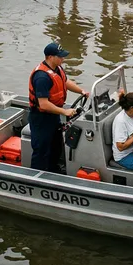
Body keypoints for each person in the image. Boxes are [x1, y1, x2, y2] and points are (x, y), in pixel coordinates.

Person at [28, 42, 89, 172]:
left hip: (53, 115)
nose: (63, 59)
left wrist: (81, 91)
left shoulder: (58, 68)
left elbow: (65, 82)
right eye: (60, 56)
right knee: (41, 149)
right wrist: (64, 111)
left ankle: (53, 170)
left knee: (56, 146)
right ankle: (36, 176)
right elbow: (43, 104)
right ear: (50, 57)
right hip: (41, 118)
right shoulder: (42, 77)